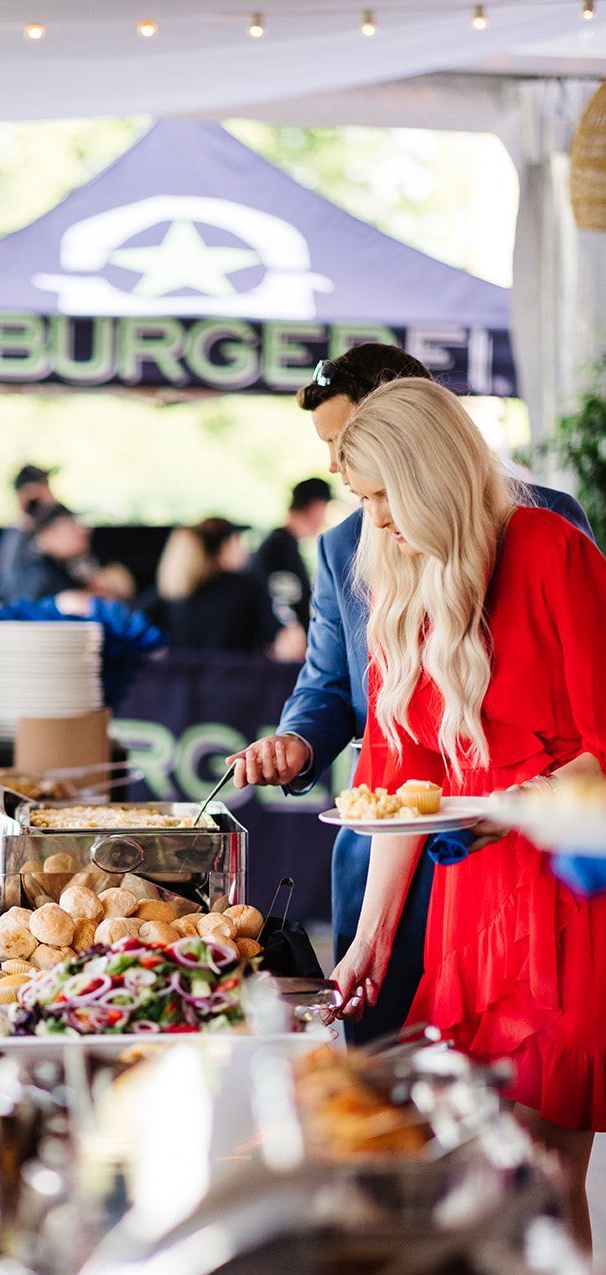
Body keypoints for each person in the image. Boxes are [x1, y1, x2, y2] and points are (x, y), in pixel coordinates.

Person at [228, 342, 593, 1043]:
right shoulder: (368, 554)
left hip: (549, 872)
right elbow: (367, 723)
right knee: (398, 1087)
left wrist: (525, 803)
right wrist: (297, 739)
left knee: (525, 1113)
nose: (339, 474)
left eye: (347, 447)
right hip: (426, 875)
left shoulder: (549, 536)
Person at [326, 378, 606, 1246]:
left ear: (429, 476)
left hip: (567, 886)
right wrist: (370, 939)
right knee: (481, 1149)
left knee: (545, 1158)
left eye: (380, 496)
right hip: (470, 897)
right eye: (361, 500)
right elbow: (394, 782)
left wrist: (523, 804)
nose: (372, 522)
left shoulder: (552, 550)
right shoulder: (396, 581)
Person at [149, 517, 287, 652]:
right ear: (225, 546)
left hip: (180, 675)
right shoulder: (247, 588)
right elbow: (281, 640)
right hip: (237, 674)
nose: (245, 550)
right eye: (239, 541)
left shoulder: (172, 589)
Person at [249, 477, 333, 644]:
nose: (324, 519)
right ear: (316, 507)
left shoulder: (282, 543)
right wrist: (290, 629)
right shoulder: (281, 545)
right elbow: (280, 598)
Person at [0, 464, 58, 604]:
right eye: (43, 487)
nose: (50, 497)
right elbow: (7, 584)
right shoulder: (17, 533)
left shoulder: (58, 522)